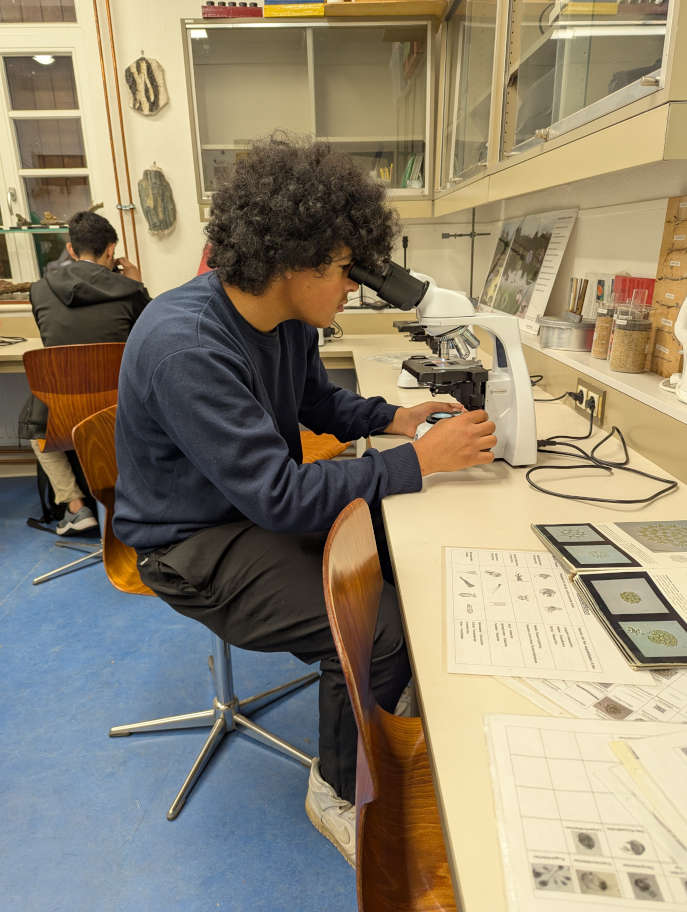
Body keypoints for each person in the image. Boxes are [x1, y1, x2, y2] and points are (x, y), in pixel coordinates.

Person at [113, 135, 496, 866]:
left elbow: (315, 401)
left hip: (246, 508)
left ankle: (379, 706)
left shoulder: (283, 320)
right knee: (377, 629)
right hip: (190, 544)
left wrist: (395, 419)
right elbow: (282, 498)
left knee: (408, 563)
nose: (353, 287)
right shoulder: (186, 345)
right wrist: (420, 461)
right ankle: (336, 788)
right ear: (294, 260)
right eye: (348, 270)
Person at [19, 210, 150, 535]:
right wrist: (137, 284)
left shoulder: (39, 289)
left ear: (71, 249)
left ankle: (76, 507)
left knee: (34, 424)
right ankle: (136, 503)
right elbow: (150, 336)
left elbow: (52, 341)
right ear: (111, 251)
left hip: (63, 417)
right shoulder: (130, 290)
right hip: (116, 413)